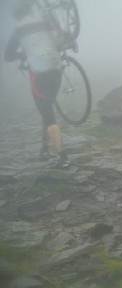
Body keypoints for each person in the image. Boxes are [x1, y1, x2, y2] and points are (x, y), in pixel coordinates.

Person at [4, 0, 69, 168]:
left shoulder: (18, 30)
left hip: (39, 73)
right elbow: (60, 37)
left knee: (47, 112)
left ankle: (62, 155)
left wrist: (23, 55)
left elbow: (8, 56)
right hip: (56, 68)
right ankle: (45, 148)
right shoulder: (44, 21)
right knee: (46, 107)